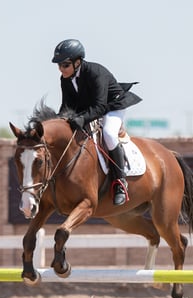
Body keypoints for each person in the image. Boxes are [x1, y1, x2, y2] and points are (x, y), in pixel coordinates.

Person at [52, 39, 142, 206]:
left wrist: (81, 118)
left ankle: (120, 183)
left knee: (108, 133)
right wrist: (59, 122)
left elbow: (100, 107)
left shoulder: (95, 72)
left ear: (77, 62)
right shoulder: (65, 79)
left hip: (112, 106)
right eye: (59, 65)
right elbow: (66, 106)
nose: (61, 69)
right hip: (91, 108)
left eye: (64, 65)